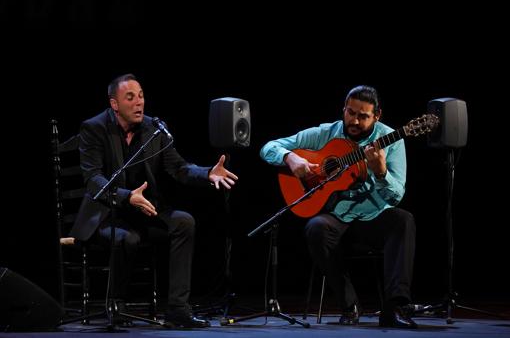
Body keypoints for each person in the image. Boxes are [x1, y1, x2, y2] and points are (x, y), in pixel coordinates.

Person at [70, 73, 238, 328]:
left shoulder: (153, 128)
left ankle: (178, 309)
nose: (139, 103)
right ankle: (116, 303)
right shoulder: (93, 128)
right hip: (106, 213)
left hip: (145, 211)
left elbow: (179, 168)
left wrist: (206, 173)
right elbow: (93, 179)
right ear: (114, 104)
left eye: (141, 96)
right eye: (130, 97)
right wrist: (127, 197)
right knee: (128, 238)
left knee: (183, 222)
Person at [260, 85, 418, 328]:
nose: (354, 120)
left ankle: (395, 308)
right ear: (343, 109)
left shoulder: (391, 140)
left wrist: (382, 172)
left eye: (363, 116)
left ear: (377, 116)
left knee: (403, 220)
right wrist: (289, 157)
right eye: (350, 112)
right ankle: (349, 304)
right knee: (316, 228)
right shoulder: (326, 133)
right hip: (336, 216)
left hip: (372, 216)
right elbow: (268, 147)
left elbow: (396, 195)